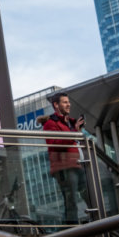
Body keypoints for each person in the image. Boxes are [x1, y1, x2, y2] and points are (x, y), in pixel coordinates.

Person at [39, 92, 89, 224]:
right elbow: (54, 144)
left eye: (69, 102)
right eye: (65, 102)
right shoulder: (50, 124)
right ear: (56, 105)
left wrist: (76, 130)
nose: (69, 104)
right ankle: (72, 233)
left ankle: (99, 227)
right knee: (70, 201)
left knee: (91, 197)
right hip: (65, 168)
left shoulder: (70, 123)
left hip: (79, 165)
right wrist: (73, 133)